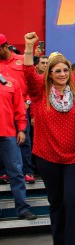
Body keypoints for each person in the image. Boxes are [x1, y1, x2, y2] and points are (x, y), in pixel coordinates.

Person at [23, 32, 75, 245]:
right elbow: (26, 72)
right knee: (56, 204)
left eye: (65, 70)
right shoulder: (39, 94)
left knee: (72, 200)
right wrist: (29, 47)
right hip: (48, 157)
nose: (62, 74)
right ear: (49, 74)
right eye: (57, 70)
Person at [0, 57, 35, 221]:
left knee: (16, 172)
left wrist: (21, 129)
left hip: (8, 135)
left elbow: (19, 110)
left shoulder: (11, 83)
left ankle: (22, 208)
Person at [0, 34, 35, 183]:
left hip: (22, 107)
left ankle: (27, 171)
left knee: (24, 140)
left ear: (5, 47)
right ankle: (5, 172)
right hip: (5, 109)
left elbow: (32, 84)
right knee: (3, 140)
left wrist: (27, 101)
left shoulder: (22, 61)